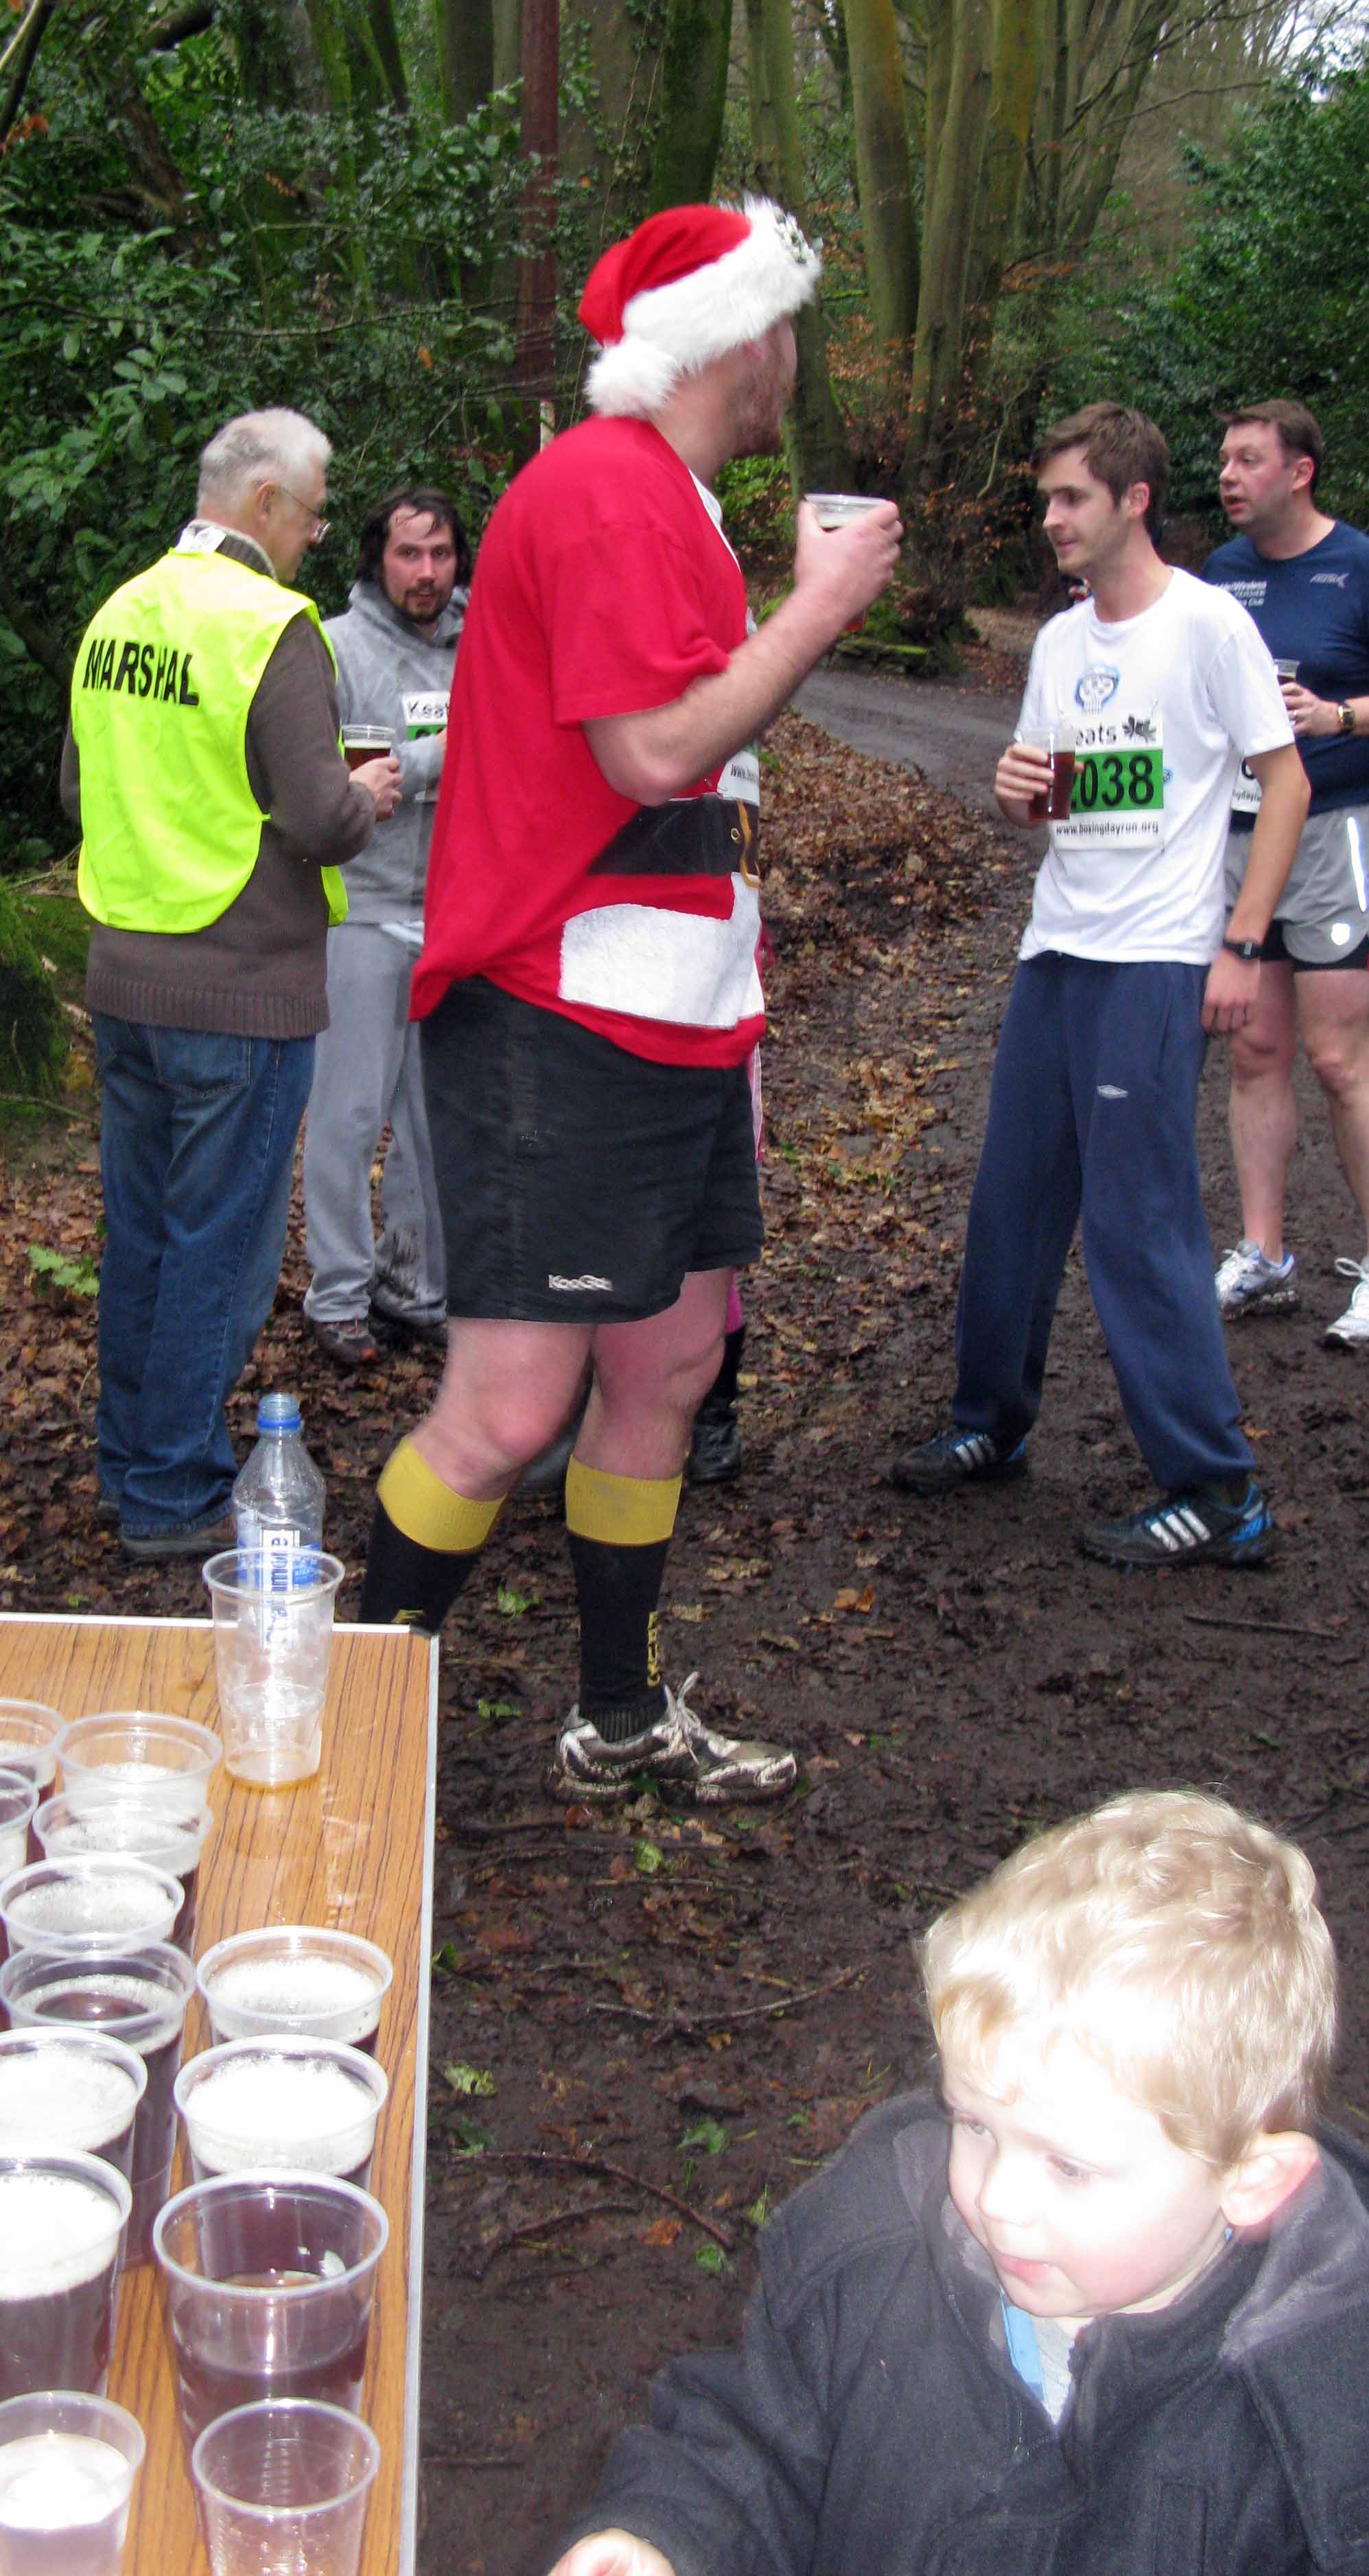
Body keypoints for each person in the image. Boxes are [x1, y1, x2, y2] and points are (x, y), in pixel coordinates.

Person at [354, 196, 900, 1802]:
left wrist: (743, 987)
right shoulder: (598, 488)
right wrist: (819, 610)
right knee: (510, 1399)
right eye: (788, 321)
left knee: (661, 1371)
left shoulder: (670, 499)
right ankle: (340, 1738)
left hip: (671, 1015)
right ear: (739, 335)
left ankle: (613, 1715)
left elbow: (690, 796)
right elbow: (648, 752)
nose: (795, 353)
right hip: (551, 1015)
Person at [545, 1788, 1369, 2576]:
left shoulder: (1335, 2466)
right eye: (976, 2125)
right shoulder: (873, 2256)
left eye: (1070, 2166)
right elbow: (752, 2439)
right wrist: (664, 2535)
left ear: (1252, 2180)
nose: (997, 2200)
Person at [891, 402, 1308, 1568]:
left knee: (1139, 1220)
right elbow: (1042, 799)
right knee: (1013, 1196)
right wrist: (1021, 792)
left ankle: (1218, 1490)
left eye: (1069, 498)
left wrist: (1241, 943)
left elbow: (1285, 787)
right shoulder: (1062, 643)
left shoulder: (1209, 626)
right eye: (1045, 500)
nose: (1050, 519)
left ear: (1131, 500)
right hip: (1058, 948)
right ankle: (990, 1424)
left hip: (1161, 958)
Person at [63, 407, 400, 1555]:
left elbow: (79, 788)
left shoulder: (120, 612)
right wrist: (370, 801)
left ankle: (129, 1464)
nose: (313, 539)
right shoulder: (272, 626)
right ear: (264, 504)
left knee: (146, 1235)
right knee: (221, 1247)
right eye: (311, 515)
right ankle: (173, 1490)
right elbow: (318, 816)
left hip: (125, 976)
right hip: (242, 986)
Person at [1205, 401, 1369, 1347]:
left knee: (1335, 1057)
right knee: (1254, 1050)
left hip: (1334, 831)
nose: (1227, 475)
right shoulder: (1220, 576)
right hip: (1236, 836)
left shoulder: (1364, 567)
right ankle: (1266, 1255)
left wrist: (1340, 717)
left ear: (1301, 470)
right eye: (1223, 460)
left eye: (1248, 460)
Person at [301, 488, 471, 1367]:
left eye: (440, 553)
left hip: (453, 915)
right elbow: (348, 789)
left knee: (433, 1119)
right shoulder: (333, 646)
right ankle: (335, 1294)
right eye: (409, 554)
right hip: (358, 912)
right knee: (348, 1114)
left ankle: (412, 1284)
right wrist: (441, 757)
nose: (427, 572)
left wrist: (418, 765)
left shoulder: (485, 643)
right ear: (377, 559)